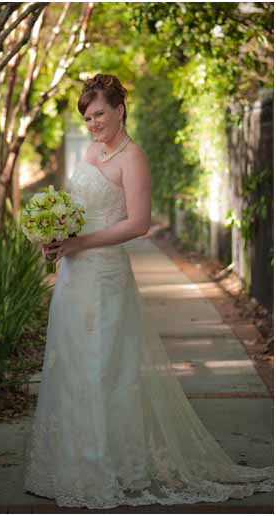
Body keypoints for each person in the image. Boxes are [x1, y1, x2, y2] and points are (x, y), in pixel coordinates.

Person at [24, 73, 273, 509]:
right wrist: (57, 236)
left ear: (119, 110)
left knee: (105, 368)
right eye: (87, 116)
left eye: (99, 113)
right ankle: (71, 466)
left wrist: (81, 242)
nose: (93, 122)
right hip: (74, 276)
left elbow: (138, 223)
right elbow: (79, 210)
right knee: (73, 366)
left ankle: (109, 469)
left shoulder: (132, 158)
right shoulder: (91, 151)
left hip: (105, 278)